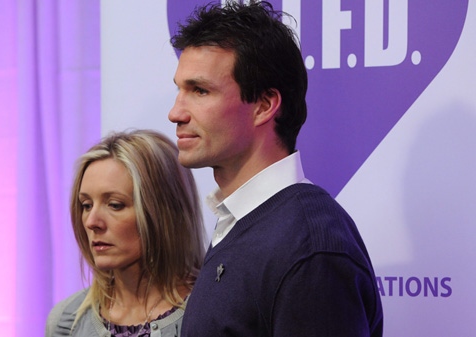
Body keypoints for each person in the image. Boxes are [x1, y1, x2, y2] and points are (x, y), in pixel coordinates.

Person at [168, 1, 383, 336]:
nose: (176, 112)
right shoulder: (244, 222)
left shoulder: (310, 247)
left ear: (264, 106)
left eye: (199, 91)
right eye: (179, 90)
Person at [45, 129, 206, 337]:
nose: (92, 222)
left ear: (162, 212)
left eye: (115, 205)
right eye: (86, 205)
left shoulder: (210, 313)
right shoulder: (66, 324)